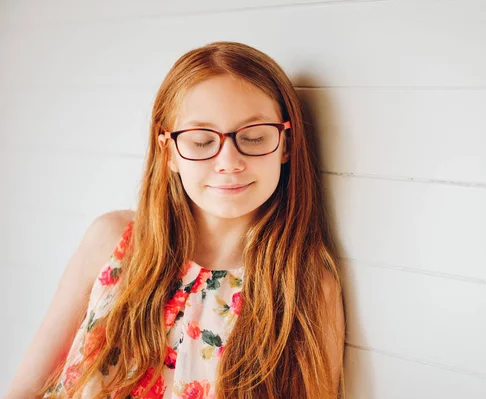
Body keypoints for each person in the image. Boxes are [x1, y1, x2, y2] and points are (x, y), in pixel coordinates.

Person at [4, 41, 345, 399]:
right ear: (168, 152)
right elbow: (26, 389)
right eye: (200, 142)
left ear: (286, 145)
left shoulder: (304, 285)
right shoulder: (113, 240)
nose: (228, 161)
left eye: (254, 137)